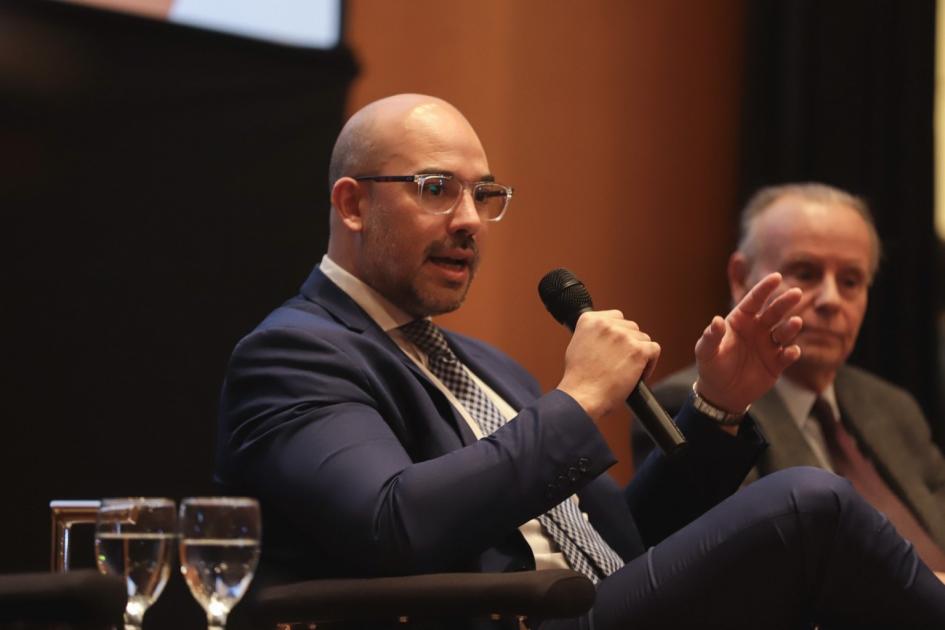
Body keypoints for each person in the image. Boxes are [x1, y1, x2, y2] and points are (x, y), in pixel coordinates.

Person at [217, 95, 945, 629]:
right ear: (351, 205)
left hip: (589, 608)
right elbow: (391, 524)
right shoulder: (294, 353)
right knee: (806, 502)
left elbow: (622, 541)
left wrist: (717, 408)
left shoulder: (484, 366)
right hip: (518, 621)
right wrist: (575, 399)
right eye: (436, 189)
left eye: (484, 194)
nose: (469, 220)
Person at [637, 182, 945, 574]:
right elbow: (749, 577)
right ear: (741, 277)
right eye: (806, 272)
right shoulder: (697, 408)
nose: (831, 300)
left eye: (850, 281)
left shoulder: (892, 406)